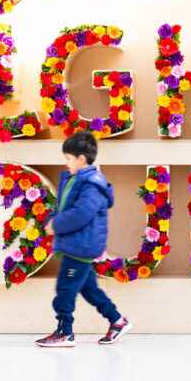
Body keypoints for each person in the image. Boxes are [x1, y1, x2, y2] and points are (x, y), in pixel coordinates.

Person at [36, 131, 131, 347]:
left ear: (81, 159)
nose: (66, 162)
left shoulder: (92, 184)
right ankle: (117, 321)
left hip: (80, 246)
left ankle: (64, 333)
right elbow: (68, 209)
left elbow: (81, 214)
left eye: (68, 158)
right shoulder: (77, 180)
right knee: (89, 290)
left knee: (65, 289)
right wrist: (52, 219)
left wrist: (56, 225)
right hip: (77, 244)